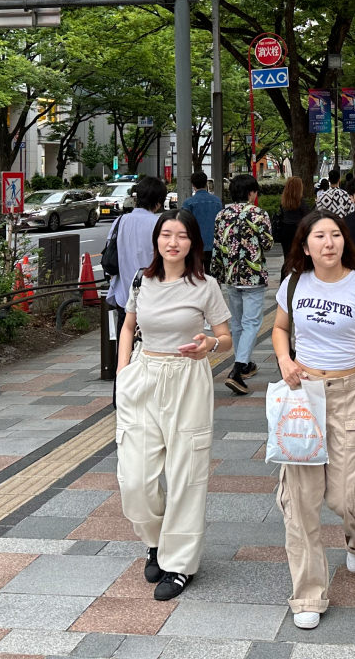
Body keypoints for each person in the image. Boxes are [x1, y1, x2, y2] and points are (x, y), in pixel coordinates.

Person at [272, 211, 355, 631]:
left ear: (345, 241)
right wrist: (285, 359)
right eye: (319, 236)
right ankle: (308, 593)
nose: (329, 243)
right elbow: (279, 329)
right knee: (301, 502)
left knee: (346, 497)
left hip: (349, 394)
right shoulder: (294, 283)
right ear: (305, 246)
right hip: (303, 396)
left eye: (335, 235)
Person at [116, 210, 233, 601]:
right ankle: (156, 539)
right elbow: (129, 326)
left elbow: (225, 338)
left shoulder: (206, 286)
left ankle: (179, 563)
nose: (172, 242)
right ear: (156, 241)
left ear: (192, 243)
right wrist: (123, 374)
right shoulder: (141, 280)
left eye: (182, 236)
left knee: (186, 475)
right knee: (135, 478)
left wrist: (209, 347)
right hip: (144, 375)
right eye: (166, 234)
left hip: (187, 380)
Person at [209, 173, 274, 396]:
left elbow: (217, 246)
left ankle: (243, 362)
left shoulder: (222, 215)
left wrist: (216, 275)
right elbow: (267, 243)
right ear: (251, 193)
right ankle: (237, 369)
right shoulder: (258, 214)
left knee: (236, 323)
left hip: (230, 276)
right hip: (253, 275)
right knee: (252, 322)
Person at [109, 176, 167, 324]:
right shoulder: (159, 224)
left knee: (125, 341)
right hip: (153, 295)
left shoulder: (119, 221)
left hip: (124, 294)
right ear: (159, 202)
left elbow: (111, 249)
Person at [273, 176, 314, 281]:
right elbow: (308, 217)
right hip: (298, 232)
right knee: (300, 258)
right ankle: (298, 280)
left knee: (287, 259)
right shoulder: (301, 202)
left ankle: (284, 281)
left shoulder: (284, 202)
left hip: (285, 232)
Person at [180, 170, 223, 269]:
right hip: (213, 244)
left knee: (196, 276)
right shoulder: (217, 201)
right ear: (206, 183)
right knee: (211, 274)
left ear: (193, 185)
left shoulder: (188, 203)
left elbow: (183, 224)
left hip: (195, 245)